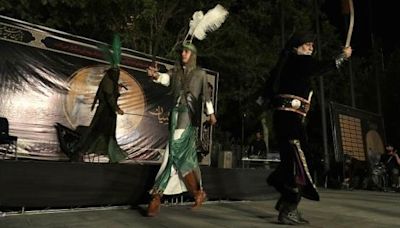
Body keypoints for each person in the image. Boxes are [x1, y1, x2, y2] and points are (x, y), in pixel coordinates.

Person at [263, 31, 352, 225]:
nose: (311, 47)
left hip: (289, 120)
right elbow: (318, 67)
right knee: (300, 163)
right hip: (289, 120)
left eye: (312, 44)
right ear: (296, 47)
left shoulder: (290, 63)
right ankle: (288, 205)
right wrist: (341, 56)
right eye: (307, 44)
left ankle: (286, 200)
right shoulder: (297, 61)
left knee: (295, 161)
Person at [146, 41, 217, 217]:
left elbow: (206, 96)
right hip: (174, 115)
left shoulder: (200, 73)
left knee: (173, 152)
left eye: (186, 52)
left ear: (193, 54)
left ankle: (156, 197)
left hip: (187, 115)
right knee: (182, 158)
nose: (183, 54)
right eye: (182, 52)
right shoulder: (176, 71)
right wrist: (155, 75)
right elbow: (165, 78)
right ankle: (198, 193)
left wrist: (211, 114)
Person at [56, 34, 127, 163]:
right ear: (112, 73)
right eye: (116, 74)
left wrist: (118, 87)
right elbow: (110, 97)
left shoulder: (111, 81)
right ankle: (79, 153)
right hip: (104, 114)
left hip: (109, 115)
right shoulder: (108, 82)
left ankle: (113, 156)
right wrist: (117, 109)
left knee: (108, 136)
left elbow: (112, 91)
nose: (117, 75)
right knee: (95, 134)